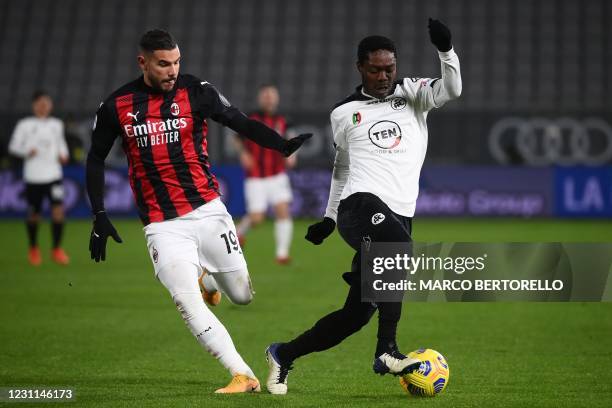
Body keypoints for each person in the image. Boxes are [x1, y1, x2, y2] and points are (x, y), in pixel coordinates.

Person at [86, 29, 310, 394]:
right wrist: (99, 214)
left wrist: (280, 145)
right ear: (143, 62)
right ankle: (243, 374)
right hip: (162, 225)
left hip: (208, 211)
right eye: (163, 64)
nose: (172, 70)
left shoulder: (197, 91)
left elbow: (239, 121)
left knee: (241, 295)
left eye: (176, 62)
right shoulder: (117, 106)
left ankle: (208, 279)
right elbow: (95, 158)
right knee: (184, 300)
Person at [265, 19, 462, 394]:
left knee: (354, 315)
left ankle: (282, 354)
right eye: (375, 69)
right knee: (399, 250)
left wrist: (446, 50)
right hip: (359, 206)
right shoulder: (344, 113)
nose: (384, 76)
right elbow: (342, 167)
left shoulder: (414, 93)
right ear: (360, 67)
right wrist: (329, 217)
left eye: (390, 68)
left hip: (398, 214)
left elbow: (452, 89)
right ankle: (387, 351)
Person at [235, 84, 296, 264]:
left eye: (272, 95)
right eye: (266, 95)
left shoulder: (284, 120)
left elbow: (292, 140)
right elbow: (236, 139)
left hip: (277, 174)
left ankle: (282, 254)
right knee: (257, 218)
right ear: (260, 98)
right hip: (255, 176)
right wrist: (243, 153)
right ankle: (238, 233)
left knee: (283, 211)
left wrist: (292, 155)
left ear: (276, 98)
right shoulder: (251, 118)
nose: (269, 99)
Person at [9, 91, 70, 266]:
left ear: (50, 105)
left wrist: (64, 155)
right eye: (40, 103)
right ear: (34, 105)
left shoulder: (56, 124)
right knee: (34, 213)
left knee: (58, 211)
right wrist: (27, 151)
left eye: (46, 103)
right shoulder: (25, 125)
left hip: (54, 175)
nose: (44, 106)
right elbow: (14, 147)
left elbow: (61, 144)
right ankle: (33, 248)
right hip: (34, 176)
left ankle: (56, 249)